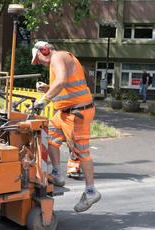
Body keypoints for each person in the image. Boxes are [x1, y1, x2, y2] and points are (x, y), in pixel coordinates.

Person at [32, 41, 100, 212]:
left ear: (45, 50)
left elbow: (61, 81)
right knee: (52, 139)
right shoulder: (61, 58)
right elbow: (66, 84)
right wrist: (48, 88)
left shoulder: (57, 57)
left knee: (81, 153)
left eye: (37, 58)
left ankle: (91, 191)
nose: (38, 62)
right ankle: (56, 173)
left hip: (77, 114)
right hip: (64, 112)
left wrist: (44, 100)